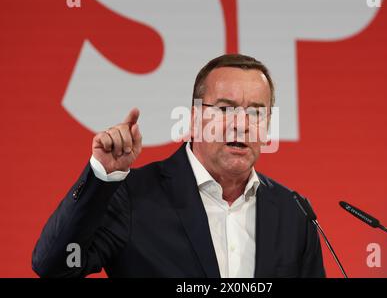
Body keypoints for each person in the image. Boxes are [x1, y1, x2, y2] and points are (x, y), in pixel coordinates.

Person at [32, 54, 325, 278]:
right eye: (225, 109)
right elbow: (53, 265)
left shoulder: (293, 212)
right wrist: (102, 177)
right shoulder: (133, 197)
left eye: (256, 112)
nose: (241, 124)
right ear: (195, 118)